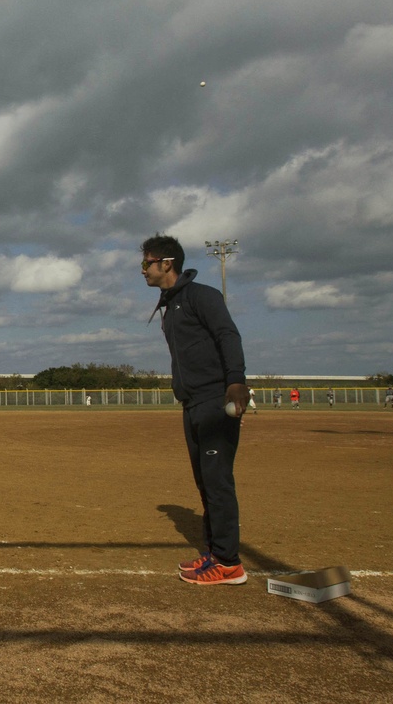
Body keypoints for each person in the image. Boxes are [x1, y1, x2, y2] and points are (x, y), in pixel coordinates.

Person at [142, 234, 249, 586]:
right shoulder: (170, 305)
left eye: (147, 263)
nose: (143, 269)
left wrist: (235, 380)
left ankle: (229, 564)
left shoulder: (202, 296)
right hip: (192, 404)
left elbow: (227, 335)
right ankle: (216, 554)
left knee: (218, 483)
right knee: (205, 483)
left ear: (166, 263)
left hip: (215, 401)